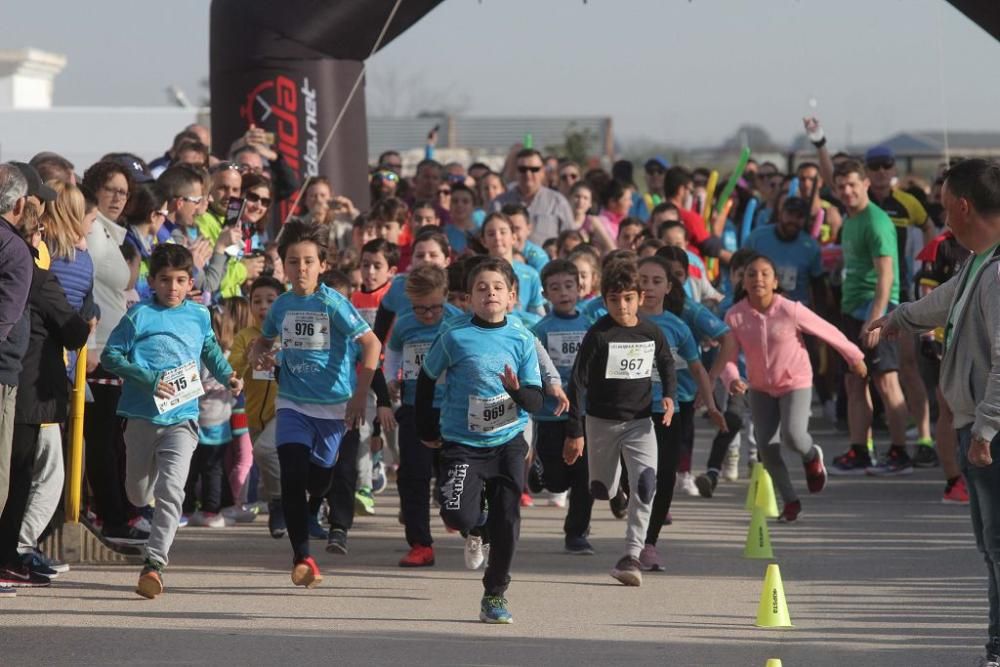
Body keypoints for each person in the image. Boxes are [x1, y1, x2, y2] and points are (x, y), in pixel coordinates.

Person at [864, 158, 1000, 667]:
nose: (943, 222)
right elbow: (945, 299)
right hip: (977, 427)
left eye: (945, 209)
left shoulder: (996, 272)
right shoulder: (979, 264)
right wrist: (898, 319)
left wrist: (986, 428)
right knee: (992, 548)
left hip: (990, 433)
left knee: (998, 547)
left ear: (964, 206)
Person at [101, 243, 242, 598]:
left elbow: (209, 350)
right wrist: (148, 378)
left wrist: (228, 376)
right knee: (138, 491)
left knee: (172, 491)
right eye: (165, 280)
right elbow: (111, 355)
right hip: (141, 416)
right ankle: (142, 502)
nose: (173, 287)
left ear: (191, 281)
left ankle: (154, 564)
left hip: (183, 417)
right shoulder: (139, 316)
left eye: (181, 280)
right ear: (152, 281)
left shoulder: (199, 315)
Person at [248, 220, 381, 589]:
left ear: (322, 264)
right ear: (284, 265)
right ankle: (302, 557)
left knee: (320, 479)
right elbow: (265, 339)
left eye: (308, 261)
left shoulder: (333, 304)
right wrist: (258, 351)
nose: (301, 269)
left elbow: (372, 346)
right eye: (293, 261)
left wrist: (359, 395)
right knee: (291, 476)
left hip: (334, 409)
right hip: (292, 403)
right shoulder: (282, 305)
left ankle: (316, 502)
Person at [416, 256, 543, 623]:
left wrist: (518, 392)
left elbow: (536, 400)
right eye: (481, 288)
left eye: (498, 288)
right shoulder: (454, 336)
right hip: (461, 443)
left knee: (508, 518)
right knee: (456, 515)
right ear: (469, 297)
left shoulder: (521, 338)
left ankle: (495, 594)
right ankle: (476, 527)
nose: (490, 293)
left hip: (507, 442)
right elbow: (426, 379)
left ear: (512, 297)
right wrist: (425, 428)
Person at [723, 254, 866, 521]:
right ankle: (790, 501)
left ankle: (811, 456)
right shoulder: (735, 316)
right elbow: (727, 358)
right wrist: (732, 379)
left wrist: (854, 357)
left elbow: (827, 331)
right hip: (760, 387)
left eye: (765, 274)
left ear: (776, 281)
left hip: (795, 382)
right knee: (766, 447)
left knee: (793, 435)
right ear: (743, 281)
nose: (758, 279)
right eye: (751, 274)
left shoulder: (789, 309)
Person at [564, 258, 676, 587]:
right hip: (600, 422)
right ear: (604, 300)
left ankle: (631, 554)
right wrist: (575, 431)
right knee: (601, 487)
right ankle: (614, 493)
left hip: (640, 423)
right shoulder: (598, 335)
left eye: (628, 298)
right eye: (614, 300)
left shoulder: (650, 331)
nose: (622, 307)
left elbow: (666, 362)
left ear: (640, 297)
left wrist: (668, 395)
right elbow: (578, 382)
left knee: (646, 484)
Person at [0, 221, 90, 587]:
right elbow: (74, 330)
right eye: (38, 231)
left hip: (17, 384)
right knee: (18, 477)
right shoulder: (37, 276)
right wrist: (88, 319)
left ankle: (11, 555)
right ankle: (8, 556)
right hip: (31, 389)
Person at [636, 255, 723, 570]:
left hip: (665, 411)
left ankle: (648, 543)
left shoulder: (677, 326)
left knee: (664, 476)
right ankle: (623, 499)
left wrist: (712, 405)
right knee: (631, 478)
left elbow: (698, 369)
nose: (648, 287)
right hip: (627, 413)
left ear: (668, 287)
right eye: (642, 280)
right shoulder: (620, 321)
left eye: (656, 281)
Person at [827, 159, 911, 476]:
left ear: (865, 184)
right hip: (852, 309)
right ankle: (860, 449)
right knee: (854, 381)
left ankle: (900, 452)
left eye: (852, 184)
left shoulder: (876, 222)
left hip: (876, 310)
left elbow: (886, 277)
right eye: (840, 186)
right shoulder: (850, 221)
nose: (846, 191)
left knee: (886, 380)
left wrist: (875, 319)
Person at [383, 265, 461, 567]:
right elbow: (391, 355)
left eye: (434, 307)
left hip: (453, 409)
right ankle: (420, 544)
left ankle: (457, 511)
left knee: (451, 473)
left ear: (446, 296)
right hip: (416, 407)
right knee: (412, 476)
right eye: (420, 308)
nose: (428, 314)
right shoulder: (404, 324)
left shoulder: (457, 320)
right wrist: (391, 380)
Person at [529, 259, 595, 554]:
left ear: (580, 288)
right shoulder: (541, 330)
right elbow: (532, 369)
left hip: (584, 414)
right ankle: (539, 468)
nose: (563, 292)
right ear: (545, 294)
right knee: (557, 481)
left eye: (569, 286)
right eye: (555, 288)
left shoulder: (591, 327)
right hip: (551, 413)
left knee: (584, 476)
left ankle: (576, 532)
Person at [230, 276, 285, 538]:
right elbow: (232, 372)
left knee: (264, 451)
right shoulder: (244, 336)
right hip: (254, 415)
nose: (263, 307)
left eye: (271, 301)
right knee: (268, 461)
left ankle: (279, 504)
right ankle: (285, 503)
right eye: (257, 301)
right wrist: (246, 356)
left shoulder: (289, 334)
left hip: (285, 410)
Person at [744, 197, 824, 308]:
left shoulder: (810, 247)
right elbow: (741, 271)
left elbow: (818, 287)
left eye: (799, 216)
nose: (793, 220)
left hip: (797, 310)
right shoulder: (757, 238)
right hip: (761, 307)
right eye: (790, 214)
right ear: (780, 214)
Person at [489, 149, 574, 245]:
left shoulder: (558, 202)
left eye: (534, 169)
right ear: (516, 171)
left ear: (543, 171)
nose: (528, 174)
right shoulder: (499, 203)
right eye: (523, 169)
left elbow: (569, 239)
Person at [481, 213, 545, 316]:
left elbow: (537, 316)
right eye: (491, 234)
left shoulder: (531, 275)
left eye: (503, 232)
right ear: (483, 241)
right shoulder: (477, 275)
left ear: (513, 237)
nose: (497, 237)